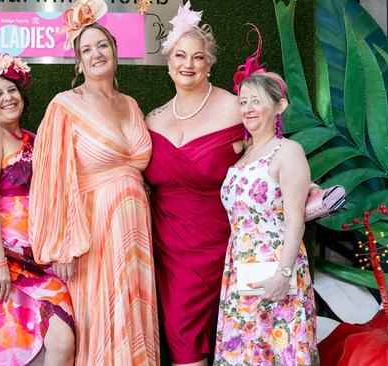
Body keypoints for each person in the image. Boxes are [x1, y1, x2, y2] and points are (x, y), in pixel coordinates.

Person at [29, 1, 160, 364]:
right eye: (86, 49)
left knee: (134, 309)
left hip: (135, 229)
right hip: (93, 233)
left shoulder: (132, 105)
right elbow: (51, 179)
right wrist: (61, 246)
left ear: (116, 52)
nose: (96, 53)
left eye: (102, 45)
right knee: (100, 314)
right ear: (78, 63)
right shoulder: (65, 105)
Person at [143, 3, 244, 365]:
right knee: (182, 340)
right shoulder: (150, 120)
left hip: (225, 244)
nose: (188, 64)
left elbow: (268, 157)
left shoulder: (236, 108)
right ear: (168, 62)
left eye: (197, 57)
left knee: (235, 340)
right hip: (167, 248)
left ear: (209, 63)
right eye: (180, 55)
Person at [214, 33, 317, 365]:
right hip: (240, 269)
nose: (248, 108)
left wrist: (283, 275)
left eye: (256, 100)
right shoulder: (243, 154)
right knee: (245, 354)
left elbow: (295, 220)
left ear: (280, 106)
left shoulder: (288, 151)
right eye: (243, 102)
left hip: (277, 270)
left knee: (277, 350)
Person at [0, 55, 75, 366]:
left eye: (12, 90)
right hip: (3, 258)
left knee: (61, 339)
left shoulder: (34, 139)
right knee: (17, 349)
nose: (7, 98)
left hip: (39, 258)